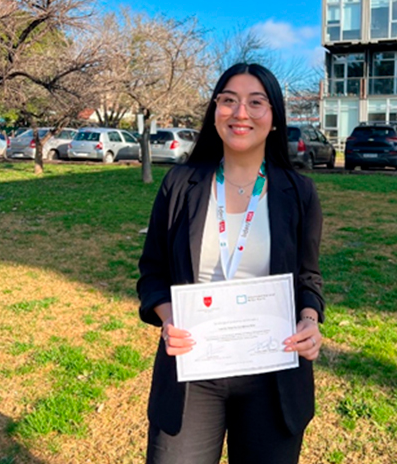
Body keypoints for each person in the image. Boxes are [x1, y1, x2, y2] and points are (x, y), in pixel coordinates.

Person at [137, 63, 325, 464]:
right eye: (229, 101)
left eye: (256, 102)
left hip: (273, 371)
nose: (241, 113)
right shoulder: (180, 185)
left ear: (274, 118)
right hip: (192, 371)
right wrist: (169, 319)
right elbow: (152, 272)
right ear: (214, 111)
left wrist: (309, 320)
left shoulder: (299, 192)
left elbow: (308, 277)